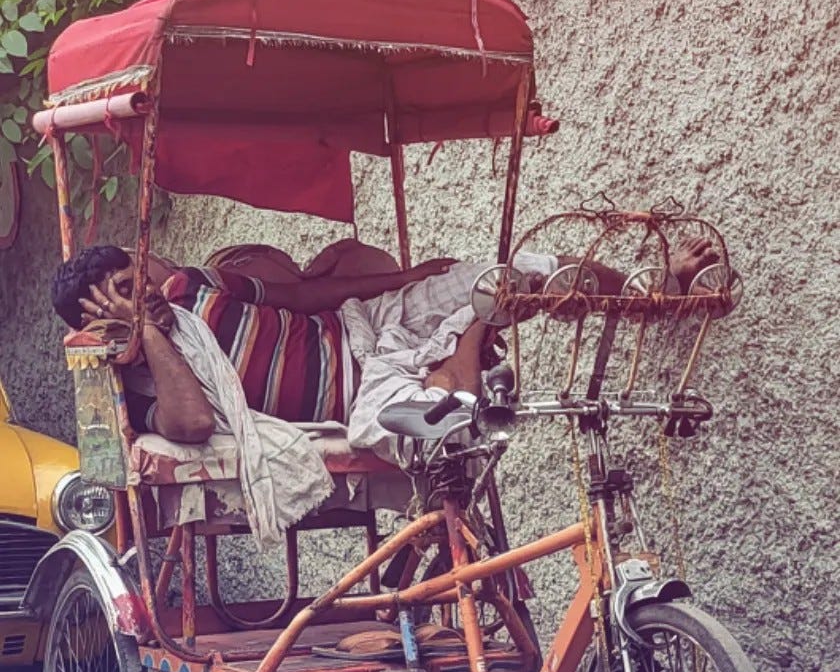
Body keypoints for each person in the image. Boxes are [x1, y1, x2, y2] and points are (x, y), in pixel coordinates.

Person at [51, 238, 718, 451]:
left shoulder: (193, 285)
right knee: (442, 424)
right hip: (360, 391)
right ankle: (474, 329)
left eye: (127, 281)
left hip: (359, 322)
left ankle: (660, 292)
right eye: (111, 304)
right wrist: (142, 334)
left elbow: (304, 295)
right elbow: (193, 423)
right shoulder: (146, 388)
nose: (132, 296)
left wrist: (410, 278)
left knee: (513, 270)